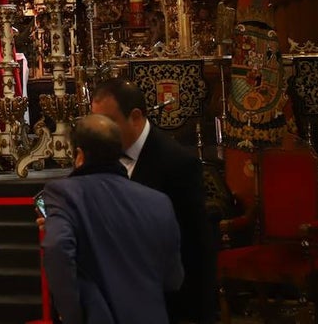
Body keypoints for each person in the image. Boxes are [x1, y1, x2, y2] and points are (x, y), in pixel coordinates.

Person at [90, 78, 217, 324]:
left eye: (108, 123)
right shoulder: (98, 157)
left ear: (135, 117)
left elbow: (196, 248)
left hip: (162, 304)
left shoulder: (178, 164)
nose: (100, 132)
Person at [39, 113, 184, 324]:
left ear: (79, 155)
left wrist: (71, 314)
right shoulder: (159, 201)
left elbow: (57, 246)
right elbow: (174, 279)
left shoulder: (64, 193)